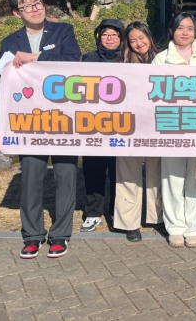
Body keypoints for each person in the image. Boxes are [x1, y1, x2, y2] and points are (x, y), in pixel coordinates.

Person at [0, 0, 81, 259]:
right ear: (17, 13)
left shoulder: (63, 31)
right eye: (27, 6)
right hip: (28, 122)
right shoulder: (10, 42)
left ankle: (60, 235)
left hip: (64, 120)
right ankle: (32, 235)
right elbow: (3, 87)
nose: (35, 9)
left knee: (66, 176)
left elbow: (74, 61)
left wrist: (36, 57)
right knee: (30, 178)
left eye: (38, 3)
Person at [153, 13, 196, 248]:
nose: (185, 33)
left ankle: (194, 227)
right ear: (171, 30)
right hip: (171, 125)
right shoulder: (160, 59)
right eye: (180, 28)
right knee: (172, 178)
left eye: (190, 28)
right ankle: (175, 227)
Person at [114, 22, 163, 241]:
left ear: (149, 36)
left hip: (157, 124)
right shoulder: (122, 64)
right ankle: (129, 223)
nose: (138, 43)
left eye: (141, 38)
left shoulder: (163, 59)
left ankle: (157, 217)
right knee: (127, 173)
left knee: (157, 172)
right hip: (129, 124)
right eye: (133, 40)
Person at [79, 19, 123, 233]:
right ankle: (93, 212)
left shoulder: (128, 59)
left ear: (121, 38)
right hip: (94, 124)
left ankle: (116, 212)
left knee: (119, 172)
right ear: (98, 37)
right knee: (93, 170)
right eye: (105, 34)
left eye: (114, 35)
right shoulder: (88, 58)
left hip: (122, 125)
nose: (109, 38)